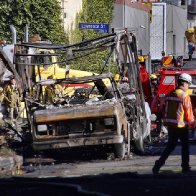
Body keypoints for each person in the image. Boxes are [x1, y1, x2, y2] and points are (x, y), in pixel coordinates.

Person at [152, 73, 195, 174]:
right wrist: (192, 124)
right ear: (184, 83)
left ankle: (158, 165)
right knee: (185, 146)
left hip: (171, 125)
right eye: (188, 84)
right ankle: (185, 167)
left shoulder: (170, 93)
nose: (188, 86)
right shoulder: (184, 96)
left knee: (170, 146)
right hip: (181, 126)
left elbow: (164, 109)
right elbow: (188, 115)